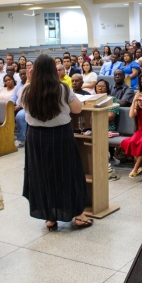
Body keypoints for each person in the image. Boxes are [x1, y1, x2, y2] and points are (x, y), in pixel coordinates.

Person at [21, 55, 93, 231]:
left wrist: (29, 81)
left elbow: (23, 108)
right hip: (60, 136)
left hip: (36, 138)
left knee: (42, 176)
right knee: (68, 174)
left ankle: (50, 217)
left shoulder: (27, 90)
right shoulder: (62, 88)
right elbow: (77, 109)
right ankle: (78, 214)